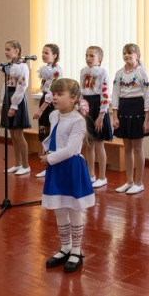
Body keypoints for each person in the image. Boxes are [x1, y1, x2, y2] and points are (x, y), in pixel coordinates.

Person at [40, 78, 95, 273]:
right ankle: (65, 247)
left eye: (60, 94)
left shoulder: (78, 121)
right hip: (56, 168)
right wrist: (47, 151)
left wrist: (50, 158)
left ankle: (76, 251)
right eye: (53, 94)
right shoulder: (54, 115)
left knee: (73, 209)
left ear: (73, 98)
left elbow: (71, 149)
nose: (54, 97)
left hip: (71, 167)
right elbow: (54, 137)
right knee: (59, 208)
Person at [111, 43, 149, 195]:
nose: (127, 55)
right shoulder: (119, 73)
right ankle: (129, 181)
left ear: (138, 56)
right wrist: (115, 116)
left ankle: (139, 182)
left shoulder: (142, 73)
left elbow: (148, 97)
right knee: (127, 146)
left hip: (137, 109)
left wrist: (147, 119)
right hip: (124, 109)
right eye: (125, 53)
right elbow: (115, 95)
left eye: (130, 53)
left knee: (137, 147)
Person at [80, 46, 114, 188]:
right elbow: (82, 92)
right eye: (86, 55)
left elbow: (105, 95)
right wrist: (81, 109)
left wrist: (101, 116)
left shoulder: (102, 73)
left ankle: (102, 176)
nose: (88, 58)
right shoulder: (83, 72)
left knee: (99, 143)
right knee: (89, 144)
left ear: (99, 58)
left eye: (92, 56)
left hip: (98, 108)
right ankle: (91, 174)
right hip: (87, 108)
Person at [1, 40, 31, 175]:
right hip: (8, 97)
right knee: (12, 134)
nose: (6, 52)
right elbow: (5, 85)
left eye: (8, 49)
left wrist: (13, 106)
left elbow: (22, 87)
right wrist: (2, 103)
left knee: (18, 134)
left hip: (17, 100)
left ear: (16, 51)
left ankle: (26, 165)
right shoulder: (9, 66)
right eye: (5, 49)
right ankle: (17, 163)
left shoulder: (23, 67)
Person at [33, 43, 63, 178]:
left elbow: (52, 92)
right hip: (44, 99)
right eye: (42, 53)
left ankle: (51, 164)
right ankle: (46, 165)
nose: (43, 55)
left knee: (51, 134)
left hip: (51, 103)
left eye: (46, 53)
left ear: (54, 55)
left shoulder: (57, 70)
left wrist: (41, 109)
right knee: (44, 134)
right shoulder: (46, 69)